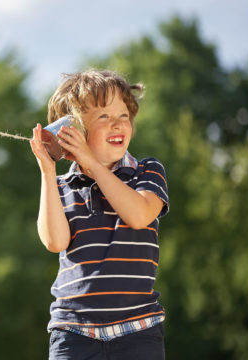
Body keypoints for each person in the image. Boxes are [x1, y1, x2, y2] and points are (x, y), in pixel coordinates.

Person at [29, 70, 169, 359]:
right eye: (103, 117)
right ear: (73, 132)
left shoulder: (147, 171)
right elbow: (54, 241)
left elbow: (139, 215)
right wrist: (47, 170)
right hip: (74, 334)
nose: (118, 124)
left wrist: (92, 164)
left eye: (123, 116)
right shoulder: (61, 186)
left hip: (138, 332)